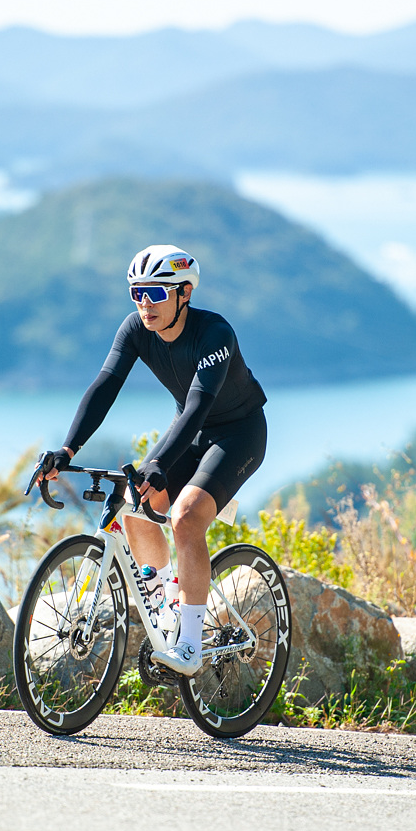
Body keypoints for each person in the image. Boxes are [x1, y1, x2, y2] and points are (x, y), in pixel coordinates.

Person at [40, 245, 267, 676]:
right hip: (190, 431)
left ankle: (190, 645)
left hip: (238, 434)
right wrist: (67, 450)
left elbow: (199, 404)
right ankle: (167, 609)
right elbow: (106, 384)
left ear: (184, 293)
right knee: (135, 508)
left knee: (185, 517)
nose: (145, 304)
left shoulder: (215, 333)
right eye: (137, 293)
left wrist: (160, 463)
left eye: (156, 293)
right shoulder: (135, 328)